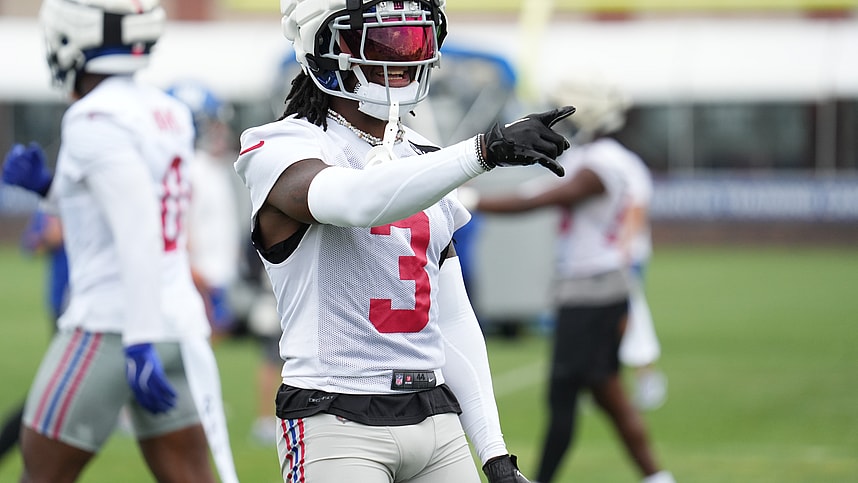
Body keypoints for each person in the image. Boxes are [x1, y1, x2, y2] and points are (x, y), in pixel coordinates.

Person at [234, 1, 574, 481]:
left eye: (414, 40)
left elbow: (452, 320)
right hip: (336, 417)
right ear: (326, 48)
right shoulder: (279, 144)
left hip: (436, 418)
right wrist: (484, 150)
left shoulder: (426, 158)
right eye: (383, 41)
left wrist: (495, 453)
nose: (402, 58)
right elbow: (355, 201)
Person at [0, 1, 237, 481]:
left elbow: (137, 231)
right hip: (178, 325)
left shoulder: (94, 117)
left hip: (115, 328)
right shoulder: (167, 109)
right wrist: (48, 188)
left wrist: (138, 343)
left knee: (38, 474)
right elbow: (126, 206)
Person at [471, 77, 676, 483]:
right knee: (604, 389)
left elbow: (541, 199)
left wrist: (472, 201)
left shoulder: (602, 163)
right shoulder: (598, 157)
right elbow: (537, 192)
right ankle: (657, 477)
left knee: (562, 392)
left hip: (592, 289)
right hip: (595, 285)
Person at [166, 81, 244, 341]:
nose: (219, 132)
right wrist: (197, 277)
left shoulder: (210, 166)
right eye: (212, 124)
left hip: (213, 280)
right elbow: (177, 233)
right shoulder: (189, 169)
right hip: (197, 283)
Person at [0, 208, 68, 465]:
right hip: (64, 308)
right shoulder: (54, 202)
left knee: (56, 391)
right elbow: (30, 245)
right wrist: (50, 237)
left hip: (102, 310)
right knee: (52, 391)